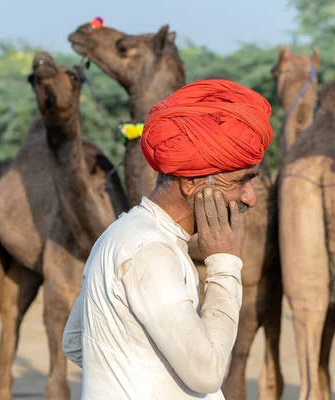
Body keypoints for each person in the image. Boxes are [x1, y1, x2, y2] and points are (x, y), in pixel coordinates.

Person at [62, 79, 273, 399]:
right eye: (241, 182)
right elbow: (207, 374)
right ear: (192, 183)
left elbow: (78, 341)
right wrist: (225, 262)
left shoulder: (123, 232)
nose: (251, 198)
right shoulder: (151, 252)